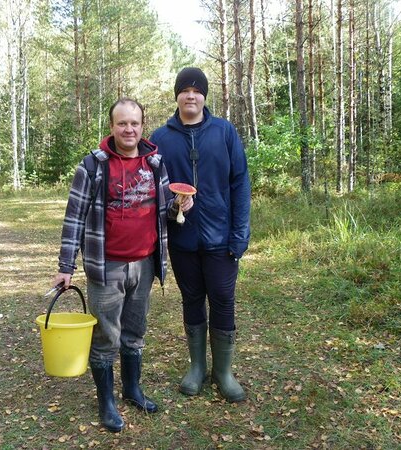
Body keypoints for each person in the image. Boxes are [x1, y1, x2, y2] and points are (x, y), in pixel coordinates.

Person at [51, 98, 192, 432]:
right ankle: (107, 403)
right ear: (111, 126)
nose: (129, 130)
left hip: (143, 264)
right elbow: (75, 218)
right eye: (122, 123)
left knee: (134, 333)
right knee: (105, 338)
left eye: (134, 123)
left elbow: (166, 216)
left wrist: (180, 205)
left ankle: (132, 390)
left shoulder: (156, 164)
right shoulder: (93, 166)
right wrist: (65, 266)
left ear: (143, 126)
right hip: (107, 267)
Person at [150, 67, 251, 403]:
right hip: (183, 239)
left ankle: (223, 372)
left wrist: (240, 234)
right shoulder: (160, 139)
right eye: (184, 90)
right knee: (192, 299)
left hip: (221, 238)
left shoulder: (224, 132)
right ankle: (197, 367)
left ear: (204, 96)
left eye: (197, 90)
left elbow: (240, 182)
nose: (190, 95)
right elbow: (153, 192)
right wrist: (170, 211)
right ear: (176, 95)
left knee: (223, 300)